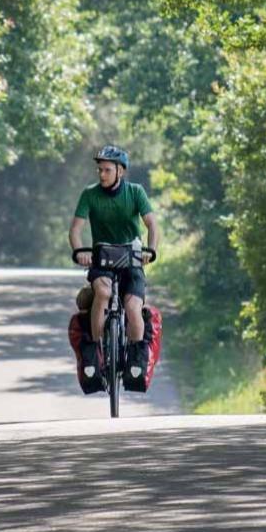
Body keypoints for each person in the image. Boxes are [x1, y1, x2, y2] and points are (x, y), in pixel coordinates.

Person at [69, 145, 159, 374]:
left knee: (132, 306)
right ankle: (97, 352)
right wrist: (81, 252)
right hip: (102, 259)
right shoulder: (90, 194)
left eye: (107, 170)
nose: (101, 174)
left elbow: (151, 224)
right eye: (99, 170)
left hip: (132, 258)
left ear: (121, 171)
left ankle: (136, 361)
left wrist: (151, 250)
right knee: (102, 293)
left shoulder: (135, 192)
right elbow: (75, 230)